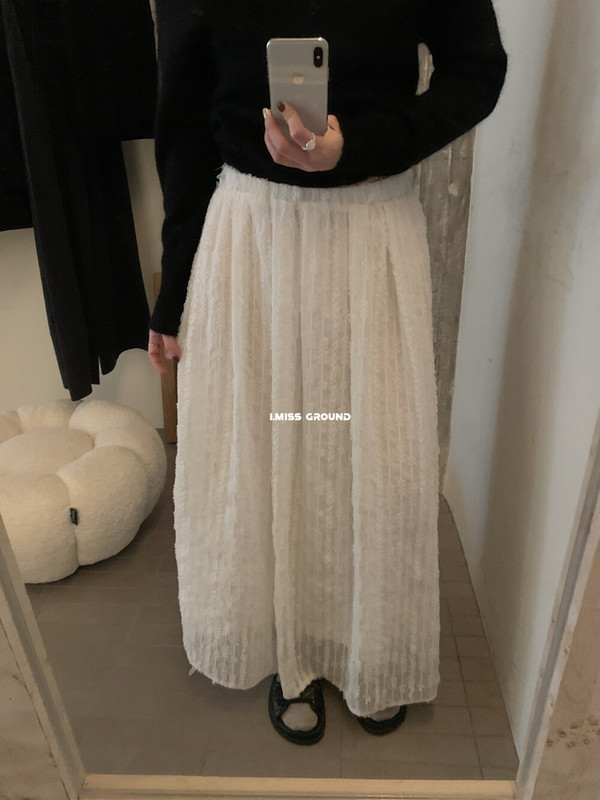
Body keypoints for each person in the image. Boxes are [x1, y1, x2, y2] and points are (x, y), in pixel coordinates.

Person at [147, 0, 507, 746]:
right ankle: (292, 651)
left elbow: (477, 69)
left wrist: (364, 144)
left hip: (371, 226)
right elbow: (182, 123)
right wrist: (172, 292)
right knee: (273, 449)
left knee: (373, 454)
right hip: (252, 236)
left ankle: (368, 646)